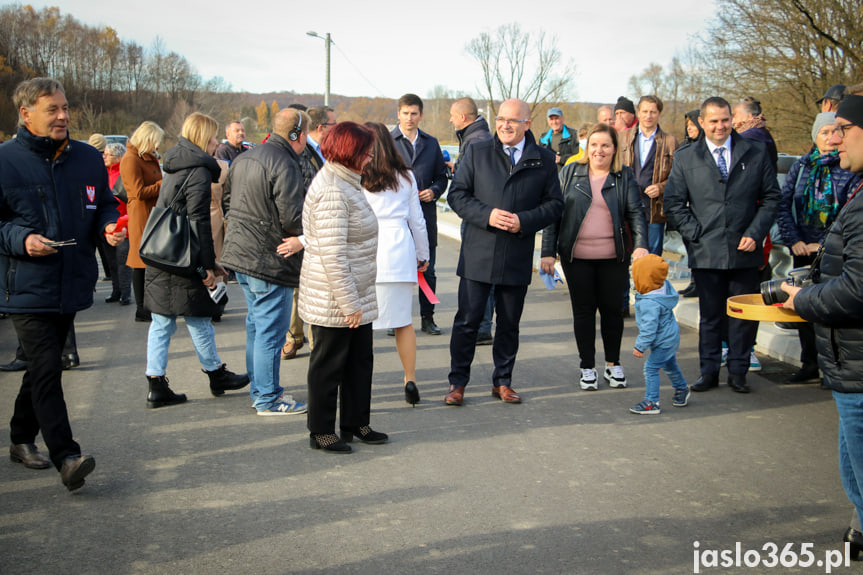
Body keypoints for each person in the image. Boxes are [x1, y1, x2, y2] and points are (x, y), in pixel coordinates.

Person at [1, 77, 125, 491]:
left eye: (65, 108)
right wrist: (22, 239)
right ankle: (66, 456)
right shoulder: (5, 160)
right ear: (25, 114)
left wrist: (109, 227)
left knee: (41, 366)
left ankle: (20, 438)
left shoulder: (88, 158)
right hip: (25, 284)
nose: (63, 116)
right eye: (52, 109)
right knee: (48, 366)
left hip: (72, 280)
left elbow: (104, 204)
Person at [781, 94, 863, 561]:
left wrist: (803, 299)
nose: (835, 138)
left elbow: (856, 289)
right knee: (853, 468)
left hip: (856, 357)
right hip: (847, 359)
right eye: (828, 130)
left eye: (844, 128)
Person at [445, 98, 563, 406]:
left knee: (509, 322)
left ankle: (503, 381)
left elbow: (554, 206)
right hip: (478, 252)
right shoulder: (477, 152)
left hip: (516, 252)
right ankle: (458, 383)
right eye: (501, 119)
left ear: (527, 124)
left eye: (513, 120)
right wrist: (487, 215)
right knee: (468, 321)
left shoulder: (544, 160)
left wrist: (524, 221)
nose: (505, 125)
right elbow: (457, 195)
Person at [664, 97, 780, 394]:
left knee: (743, 317)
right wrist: (695, 234)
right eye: (713, 121)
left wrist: (755, 233)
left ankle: (739, 372)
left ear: (733, 120)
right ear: (701, 122)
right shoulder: (686, 157)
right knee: (711, 315)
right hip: (706, 250)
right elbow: (674, 204)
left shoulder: (754, 151)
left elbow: (771, 198)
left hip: (745, 249)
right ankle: (709, 372)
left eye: (725, 119)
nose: (720, 126)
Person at [143, 113, 249, 408]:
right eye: (214, 137)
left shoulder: (175, 164)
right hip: (182, 255)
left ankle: (156, 383)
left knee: (162, 321)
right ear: (204, 139)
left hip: (161, 253)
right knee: (199, 316)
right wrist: (207, 266)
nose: (217, 143)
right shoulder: (200, 171)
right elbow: (199, 221)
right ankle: (216, 374)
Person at [541, 123, 648, 391]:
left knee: (613, 312)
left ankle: (613, 364)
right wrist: (547, 252)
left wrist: (641, 246)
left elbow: (636, 213)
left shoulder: (625, 176)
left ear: (614, 150)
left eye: (605, 145)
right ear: (586, 148)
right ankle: (587, 366)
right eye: (594, 145)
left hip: (614, 257)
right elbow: (553, 213)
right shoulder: (569, 172)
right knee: (584, 312)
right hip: (577, 257)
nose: (599, 150)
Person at [299, 121, 383, 453]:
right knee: (329, 364)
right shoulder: (333, 188)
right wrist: (349, 303)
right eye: (366, 151)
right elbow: (333, 255)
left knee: (359, 361)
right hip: (335, 297)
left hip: (354, 291)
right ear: (350, 152)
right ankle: (320, 430)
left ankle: (355, 422)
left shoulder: (347, 181)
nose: (371, 156)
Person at [220, 108, 310, 416]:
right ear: (297, 134)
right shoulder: (285, 162)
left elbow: (228, 202)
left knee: (257, 327)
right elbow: (292, 218)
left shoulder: (245, 157)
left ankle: (261, 390)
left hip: (242, 254)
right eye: (305, 135)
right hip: (269, 258)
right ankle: (268, 398)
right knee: (270, 331)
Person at [776, 112, 860, 384]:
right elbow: (784, 205)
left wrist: (823, 244)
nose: (832, 139)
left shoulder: (850, 167)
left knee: (829, 304)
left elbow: (847, 216)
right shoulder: (802, 167)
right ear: (815, 137)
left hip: (831, 249)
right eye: (824, 133)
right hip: (801, 249)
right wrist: (794, 240)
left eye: (836, 132)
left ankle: (829, 368)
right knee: (802, 304)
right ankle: (809, 362)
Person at [362, 122, 430, 405]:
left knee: (362, 326)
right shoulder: (407, 177)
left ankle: (360, 385)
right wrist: (423, 254)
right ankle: (410, 378)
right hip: (399, 249)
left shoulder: (357, 176)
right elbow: (417, 220)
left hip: (367, 251)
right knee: (404, 322)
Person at [391, 94, 448, 336]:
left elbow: (442, 177)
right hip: (397, 217)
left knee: (429, 270)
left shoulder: (431, 143)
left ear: (421, 115)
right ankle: (396, 319)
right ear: (398, 115)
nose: (410, 118)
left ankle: (428, 318)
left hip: (425, 216)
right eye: (405, 113)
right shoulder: (387, 142)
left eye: (414, 113)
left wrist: (434, 191)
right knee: (396, 270)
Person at [281, 105, 334, 360]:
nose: (337, 128)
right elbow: (300, 193)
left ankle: (310, 342)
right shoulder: (301, 153)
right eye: (334, 124)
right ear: (322, 127)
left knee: (310, 287)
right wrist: (302, 236)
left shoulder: (324, 151)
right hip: (302, 230)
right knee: (299, 288)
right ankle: (296, 337)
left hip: (315, 231)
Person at [449, 96, 495, 344]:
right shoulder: (477, 136)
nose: (450, 120)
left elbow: (474, 182)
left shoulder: (476, 140)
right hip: (483, 213)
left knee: (479, 273)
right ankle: (482, 324)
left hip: (478, 215)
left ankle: (481, 326)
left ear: (463, 118)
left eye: (453, 116)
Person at [629, 254, 689, 414]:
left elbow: (649, 329)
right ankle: (682, 388)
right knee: (669, 365)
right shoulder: (662, 287)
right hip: (669, 337)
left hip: (663, 341)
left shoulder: (650, 303)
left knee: (650, 368)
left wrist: (639, 347)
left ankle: (652, 401)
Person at [619, 95, 678, 256]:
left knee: (651, 256)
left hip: (655, 209)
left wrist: (661, 187)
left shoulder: (670, 142)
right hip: (627, 206)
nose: (648, 116)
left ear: (659, 114)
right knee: (625, 253)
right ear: (638, 112)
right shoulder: (622, 138)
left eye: (653, 112)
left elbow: (678, 175)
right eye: (645, 111)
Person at [121, 120, 164, 322]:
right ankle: (141, 308)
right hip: (141, 214)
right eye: (156, 141)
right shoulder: (131, 159)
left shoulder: (148, 158)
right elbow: (137, 192)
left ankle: (150, 304)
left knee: (150, 260)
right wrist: (161, 184)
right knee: (140, 262)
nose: (158, 146)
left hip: (153, 213)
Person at [676, 110, 705, 298]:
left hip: (701, 206)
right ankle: (694, 281)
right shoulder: (684, 149)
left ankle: (700, 283)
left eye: (693, 125)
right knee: (691, 247)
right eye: (688, 126)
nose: (690, 129)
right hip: (687, 207)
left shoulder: (705, 149)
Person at [103, 142, 132, 305]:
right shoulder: (103, 174)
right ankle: (116, 290)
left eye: (109, 155)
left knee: (123, 261)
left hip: (123, 223)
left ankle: (125, 293)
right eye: (104, 154)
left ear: (119, 158)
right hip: (107, 224)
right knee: (111, 261)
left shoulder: (125, 173)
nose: (104, 157)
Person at [733, 96, 778, 172]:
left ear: (749, 116)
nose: (733, 121)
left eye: (736, 115)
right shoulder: (761, 132)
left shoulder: (750, 136)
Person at [539, 107, 579, 171]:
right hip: (549, 176)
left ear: (563, 119)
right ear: (548, 121)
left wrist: (561, 159)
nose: (554, 122)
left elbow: (579, 156)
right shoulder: (543, 138)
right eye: (551, 119)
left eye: (557, 118)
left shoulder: (574, 135)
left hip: (568, 174)